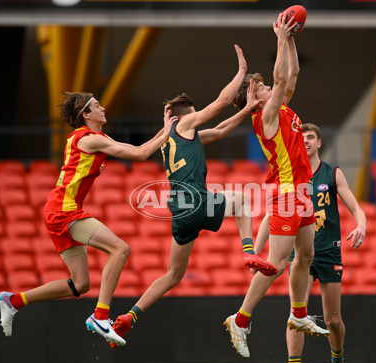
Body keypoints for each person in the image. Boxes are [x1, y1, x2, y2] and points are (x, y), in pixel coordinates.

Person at [111, 45, 277, 344]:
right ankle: (249, 251)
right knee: (241, 200)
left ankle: (129, 316)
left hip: (180, 213)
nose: (198, 116)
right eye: (194, 113)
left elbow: (222, 129)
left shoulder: (171, 140)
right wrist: (241, 72)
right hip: (197, 201)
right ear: (183, 116)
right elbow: (220, 103)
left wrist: (246, 110)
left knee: (173, 275)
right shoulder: (184, 124)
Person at [0, 92, 175, 348]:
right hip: (64, 211)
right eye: (96, 105)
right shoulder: (90, 139)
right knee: (121, 249)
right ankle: (100, 316)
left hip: (58, 210)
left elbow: (138, 150)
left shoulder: (94, 138)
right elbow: (139, 155)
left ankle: (13, 301)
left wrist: (165, 129)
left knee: (80, 284)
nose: (103, 107)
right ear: (86, 116)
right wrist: (168, 129)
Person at [223, 12, 330, 359]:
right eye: (263, 87)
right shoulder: (265, 115)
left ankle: (299, 315)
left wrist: (292, 37)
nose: (270, 87)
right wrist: (281, 38)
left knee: (307, 255)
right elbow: (281, 79)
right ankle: (240, 319)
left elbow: (291, 74)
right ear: (255, 98)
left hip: (303, 190)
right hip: (287, 193)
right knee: (278, 262)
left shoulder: (280, 108)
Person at [256, 123, 366, 363]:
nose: (304, 141)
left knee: (332, 320)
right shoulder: (290, 176)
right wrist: (256, 252)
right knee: (296, 314)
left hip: (329, 252)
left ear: (319, 143)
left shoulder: (333, 173)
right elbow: (271, 215)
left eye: (310, 137)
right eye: (301, 137)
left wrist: (361, 224)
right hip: (302, 256)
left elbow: (354, 205)